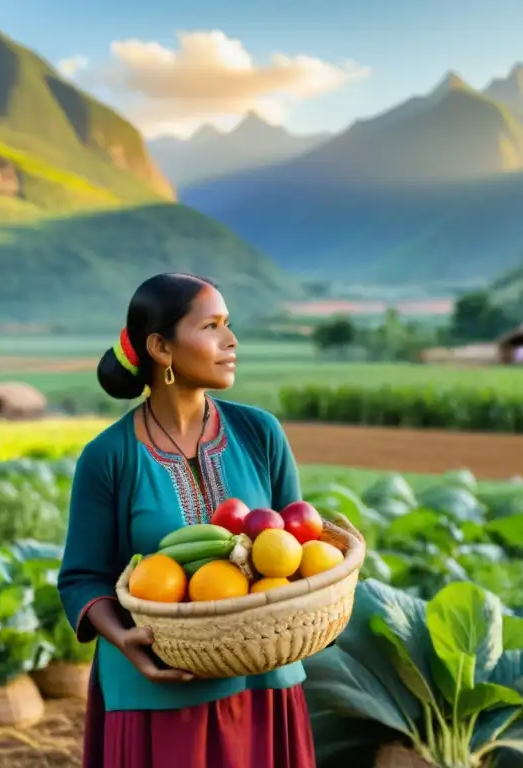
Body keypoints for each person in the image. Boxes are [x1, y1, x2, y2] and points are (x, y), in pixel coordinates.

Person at [58, 273, 316, 767]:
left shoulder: (260, 433)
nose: (231, 340)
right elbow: (81, 579)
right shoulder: (107, 456)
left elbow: (296, 552)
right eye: (212, 326)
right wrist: (127, 641)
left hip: (262, 687)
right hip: (158, 694)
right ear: (161, 347)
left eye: (229, 325)